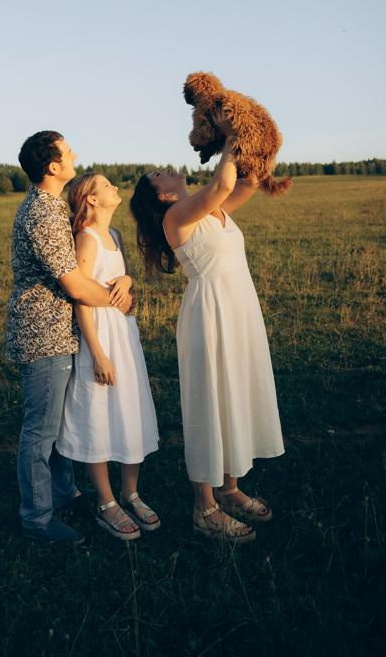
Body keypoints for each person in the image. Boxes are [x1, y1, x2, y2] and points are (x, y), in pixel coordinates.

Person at [129, 143, 284, 544]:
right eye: (156, 175)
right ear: (162, 195)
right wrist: (229, 136)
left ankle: (229, 489)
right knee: (211, 403)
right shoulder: (177, 216)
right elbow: (222, 183)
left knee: (236, 396)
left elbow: (247, 181)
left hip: (239, 309)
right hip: (210, 315)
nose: (164, 169)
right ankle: (205, 508)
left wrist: (257, 142)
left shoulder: (215, 210)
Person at [7, 131, 132, 545]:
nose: (75, 154)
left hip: (58, 332)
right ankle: (37, 518)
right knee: (40, 432)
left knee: (55, 425)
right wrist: (121, 302)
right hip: (44, 333)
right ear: (53, 166)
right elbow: (76, 286)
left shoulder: (52, 207)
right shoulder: (43, 214)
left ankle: (63, 493)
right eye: (67, 151)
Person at [57, 174, 160, 541]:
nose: (114, 186)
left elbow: (124, 276)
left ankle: (131, 492)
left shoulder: (114, 237)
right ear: (92, 200)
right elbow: (81, 301)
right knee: (98, 413)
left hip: (124, 333)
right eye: (105, 185)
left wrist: (129, 282)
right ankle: (106, 501)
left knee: (129, 408)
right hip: (99, 338)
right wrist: (98, 354)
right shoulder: (86, 239)